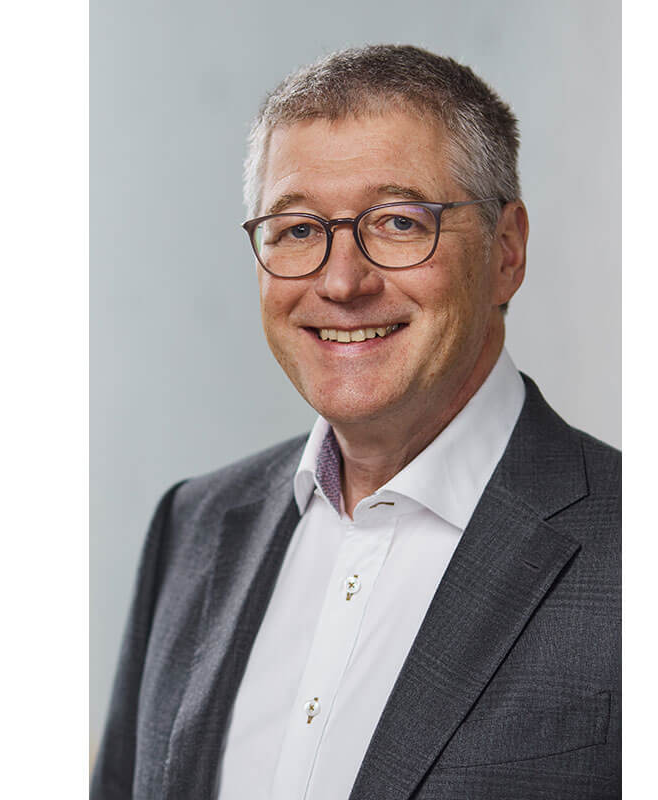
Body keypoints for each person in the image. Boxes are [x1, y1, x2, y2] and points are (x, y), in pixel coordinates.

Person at [92, 44, 620, 800]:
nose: (342, 283)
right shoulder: (194, 528)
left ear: (507, 251)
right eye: (298, 230)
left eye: (400, 222)